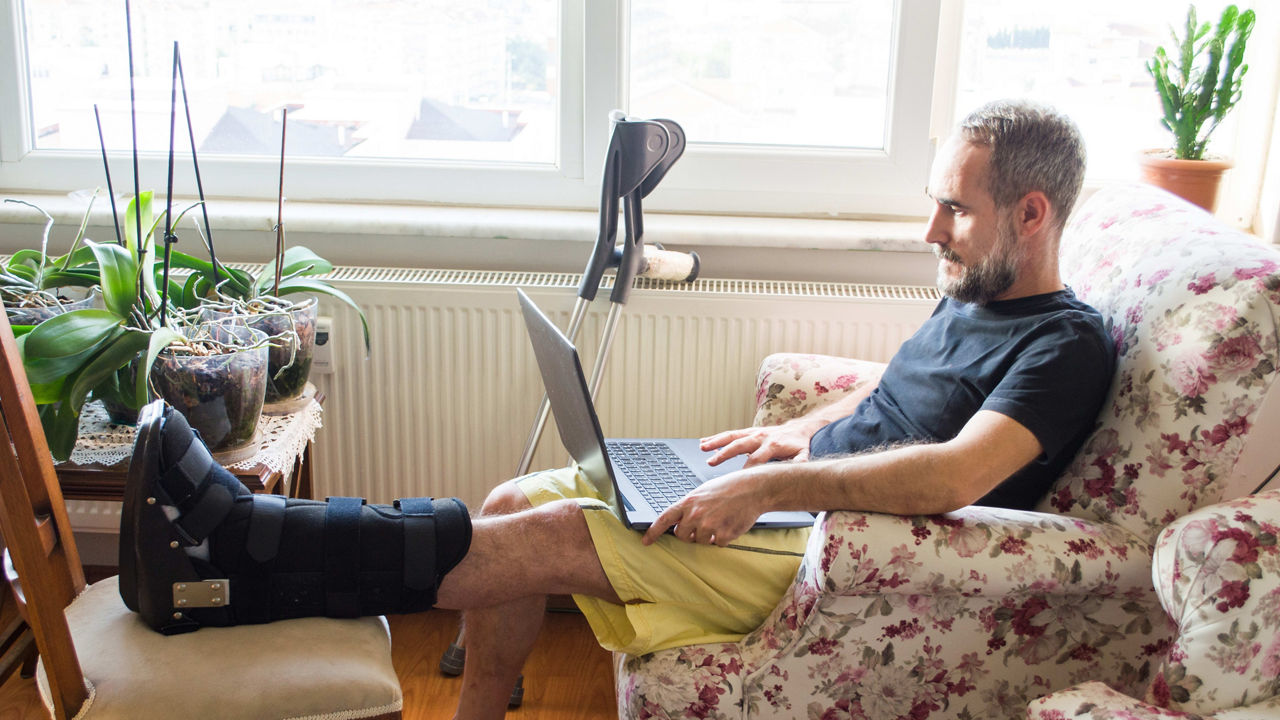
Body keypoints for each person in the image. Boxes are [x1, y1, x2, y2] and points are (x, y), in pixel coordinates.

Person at [122, 99, 1114, 720]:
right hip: (791, 497)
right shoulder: (972, 295)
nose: (929, 228)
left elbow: (954, 472)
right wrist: (798, 428)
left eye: (955, 209)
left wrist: (772, 478)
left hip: (839, 551)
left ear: (1030, 215)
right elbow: (895, 387)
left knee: (550, 532)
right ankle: (277, 580)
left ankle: (237, 545)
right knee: (513, 498)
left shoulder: (1061, 346)